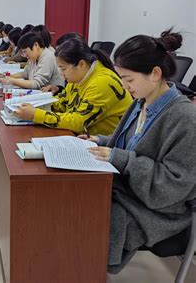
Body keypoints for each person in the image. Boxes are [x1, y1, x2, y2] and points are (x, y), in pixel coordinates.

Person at [80, 30, 196, 273]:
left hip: (160, 209)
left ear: (155, 73)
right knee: (77, 199)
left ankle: (86, 271)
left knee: (88, 215)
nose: (124, 86)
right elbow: (130, 143)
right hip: (131, 191)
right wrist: (100, 140)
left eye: (129, 80)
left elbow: (173, 186)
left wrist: (121, 159)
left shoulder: (185, 118)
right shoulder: (141, 100)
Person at [14, 38, 133, 135]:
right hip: (82, 137)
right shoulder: (78, 78)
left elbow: (79, 122)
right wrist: (36, 107)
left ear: (81, 64)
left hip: (103, 145)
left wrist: (36, 114)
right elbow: (62, 102)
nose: (61, 74)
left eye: (63, 69)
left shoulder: (101, 82)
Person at [0, 32, 64, 89]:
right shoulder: (34, 57)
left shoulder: (48, 57)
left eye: (25, 51)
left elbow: (36, 84)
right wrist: (8, 76)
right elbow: (25, 74)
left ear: (36, 45)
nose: (25, 55)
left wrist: (12, 81)